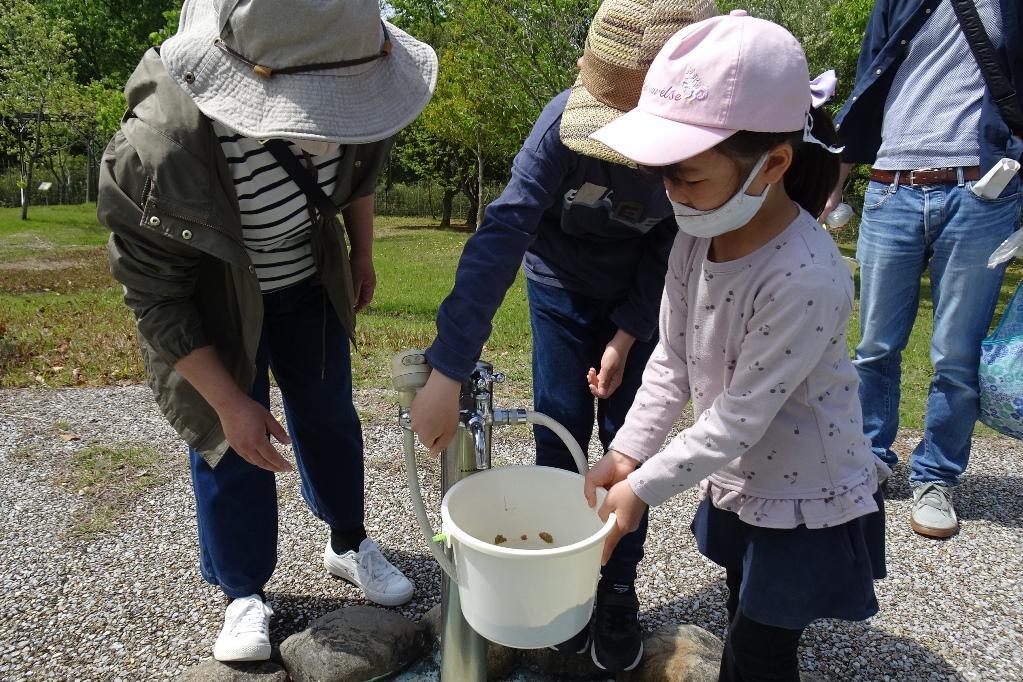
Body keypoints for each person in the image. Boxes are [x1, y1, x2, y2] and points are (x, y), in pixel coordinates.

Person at [97, 0, 437, 663]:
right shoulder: (156, 151)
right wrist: (229, 402)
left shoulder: (354, 64)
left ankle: (347, 540)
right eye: (326, 107)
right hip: (211, 301)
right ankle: (242, 589)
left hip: (306, 277)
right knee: (231, 442)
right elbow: (156, 298)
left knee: (330, 417)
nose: (344, 118)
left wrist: (361, 253)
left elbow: (356, 167)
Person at [410, 0, 716, 671]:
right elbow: (501, 235)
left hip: (642, 300)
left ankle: (614, 590)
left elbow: (673, 244)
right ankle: (559, 583)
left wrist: (629, 333)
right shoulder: (558, 126)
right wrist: (447, 370)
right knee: (561, 434)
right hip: (558, 289)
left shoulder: (696, 151)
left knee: (627, 451)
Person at [584, 11, 888, 681]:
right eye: (661, 173)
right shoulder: (695, 236)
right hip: (741, 474)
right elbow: (668, 358)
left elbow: (737, 417)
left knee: (759, 651)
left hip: (803, 488)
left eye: (685, 175)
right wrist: (626, 451)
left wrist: (640, 488)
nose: (669, 191)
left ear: (773, 162)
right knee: (739, 604)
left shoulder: (804, 275)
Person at [824, 0, 1022, 539]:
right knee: (874, 347)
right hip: (893, 187)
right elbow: (870, 78)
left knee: (955, 353)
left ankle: (936, 477)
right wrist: (838, 179)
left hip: (982, 191)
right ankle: (869, 462)